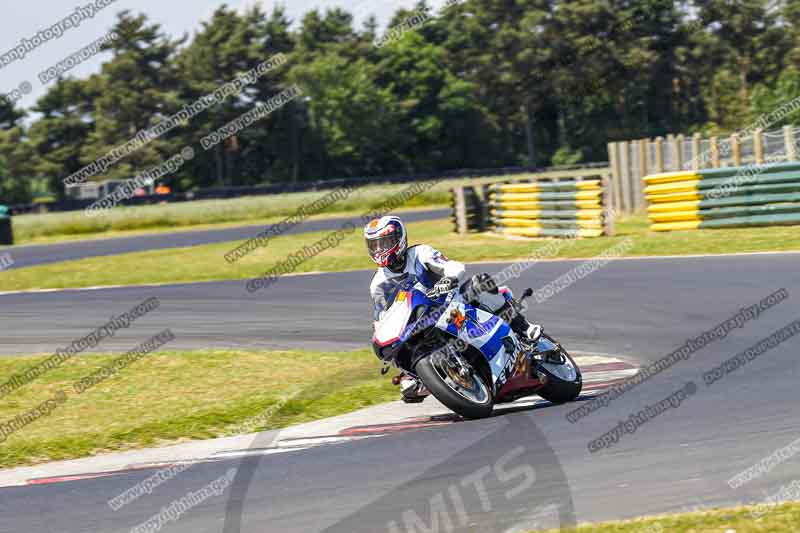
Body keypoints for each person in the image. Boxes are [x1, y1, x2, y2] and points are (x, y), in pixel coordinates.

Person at [365, 215, 540, 403]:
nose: (380, 250)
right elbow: (383, 315)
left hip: (450, 301)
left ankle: (523, 328)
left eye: (385, 243)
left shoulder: (420, 254)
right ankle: (418, 376)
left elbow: (453, 266)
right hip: (419, 324)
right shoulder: (378, 284)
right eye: (375, 245)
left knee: (479, 283)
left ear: (399, 238)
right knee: (403, 359)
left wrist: (448, 278)